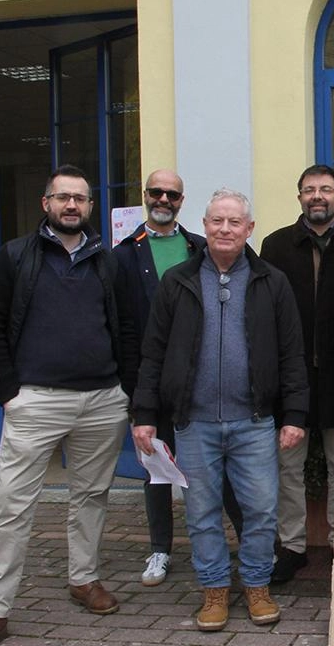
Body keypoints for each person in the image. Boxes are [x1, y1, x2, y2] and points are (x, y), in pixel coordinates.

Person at [0, 165, 138, 646]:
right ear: (46, 204)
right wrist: (9, 393)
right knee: (11, 506)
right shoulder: (15, 257)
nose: (71, 206)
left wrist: (125, 389)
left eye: (80, 199)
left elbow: (125, 329)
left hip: (102, 400)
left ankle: (84, 578)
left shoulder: (109, 261)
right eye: (62, 197)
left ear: (89, 207)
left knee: (92, 495)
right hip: (36, 401)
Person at [132, 188, 308, 631]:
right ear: (204, 226)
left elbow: (291, 352)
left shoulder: (272, 281)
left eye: (234, 222)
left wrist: (295, 416)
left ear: (249, 229)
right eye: (216, 221)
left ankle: (255, 586)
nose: (225, 229)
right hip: (195, 423)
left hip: (254, 421)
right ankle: (213, 591)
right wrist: (145, 413)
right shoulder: (178, 280)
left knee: (262, 510)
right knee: (202, 512)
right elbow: (153, 353)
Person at [113, 169, 244, 587]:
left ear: (182, 201)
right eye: (157, 192)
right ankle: (160, 550)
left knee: (217, 468)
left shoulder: (200, 247)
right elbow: (123, 327)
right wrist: (137, 392)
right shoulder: (123, 255)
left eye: (172, 194)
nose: (164, 199)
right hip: (151, 380)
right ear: (145, 195)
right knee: (157, 468)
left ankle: (248, 545)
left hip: (201, 382)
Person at [260, 165, 334, 581]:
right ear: (300, 198)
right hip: (291, 378)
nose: (317, 196)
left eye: (326, 189)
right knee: (288, 466)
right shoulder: (274, 246)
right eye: (309, 190)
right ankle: (291, 547)